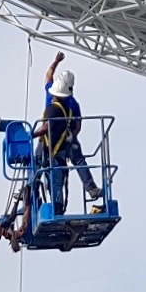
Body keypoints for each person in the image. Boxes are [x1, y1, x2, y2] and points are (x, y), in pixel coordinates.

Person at [38, 51, 103, 217]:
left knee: (42, 164)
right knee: (77, 160)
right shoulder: (73, 103)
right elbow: (78, 126)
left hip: (48, 140)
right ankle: (91, 189)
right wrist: (70, 138)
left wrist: (55, 61)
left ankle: (35, 193)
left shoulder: (49, 92)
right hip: (65, 138)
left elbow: (48, 75)